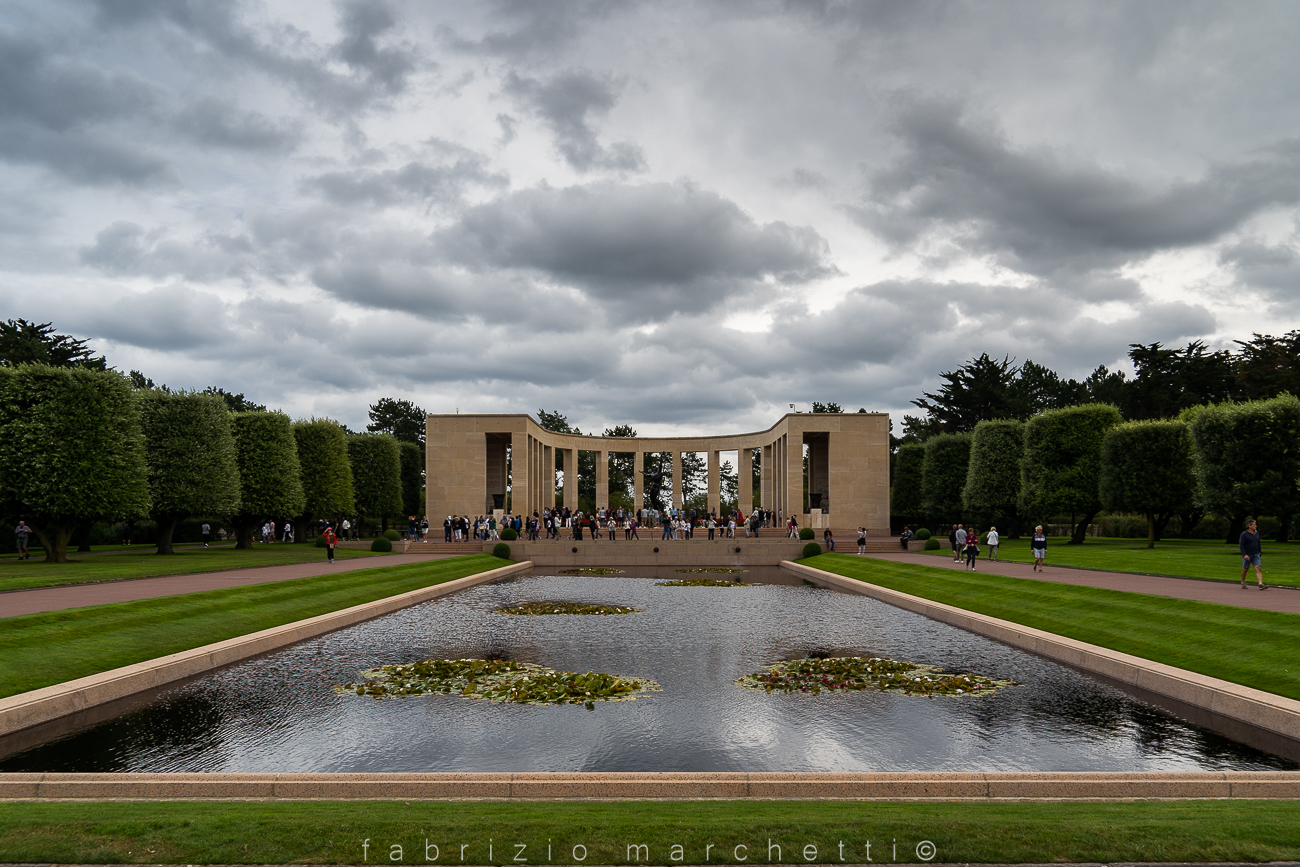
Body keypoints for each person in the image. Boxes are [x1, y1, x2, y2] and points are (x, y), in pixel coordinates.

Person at [1239, 518, 1266, 590]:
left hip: (1256, 554)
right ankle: (1243, 582)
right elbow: (1241, 545)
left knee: (1258, 568)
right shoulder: (1244, 534)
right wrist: (1244, 554)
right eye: (1254, 525)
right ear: (1249, 526)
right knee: (1245, 569)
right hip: (1248, 554)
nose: (1256, 526)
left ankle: (1260, 584)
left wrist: (1260, 553)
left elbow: (1258, 543)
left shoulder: (1257, 534)